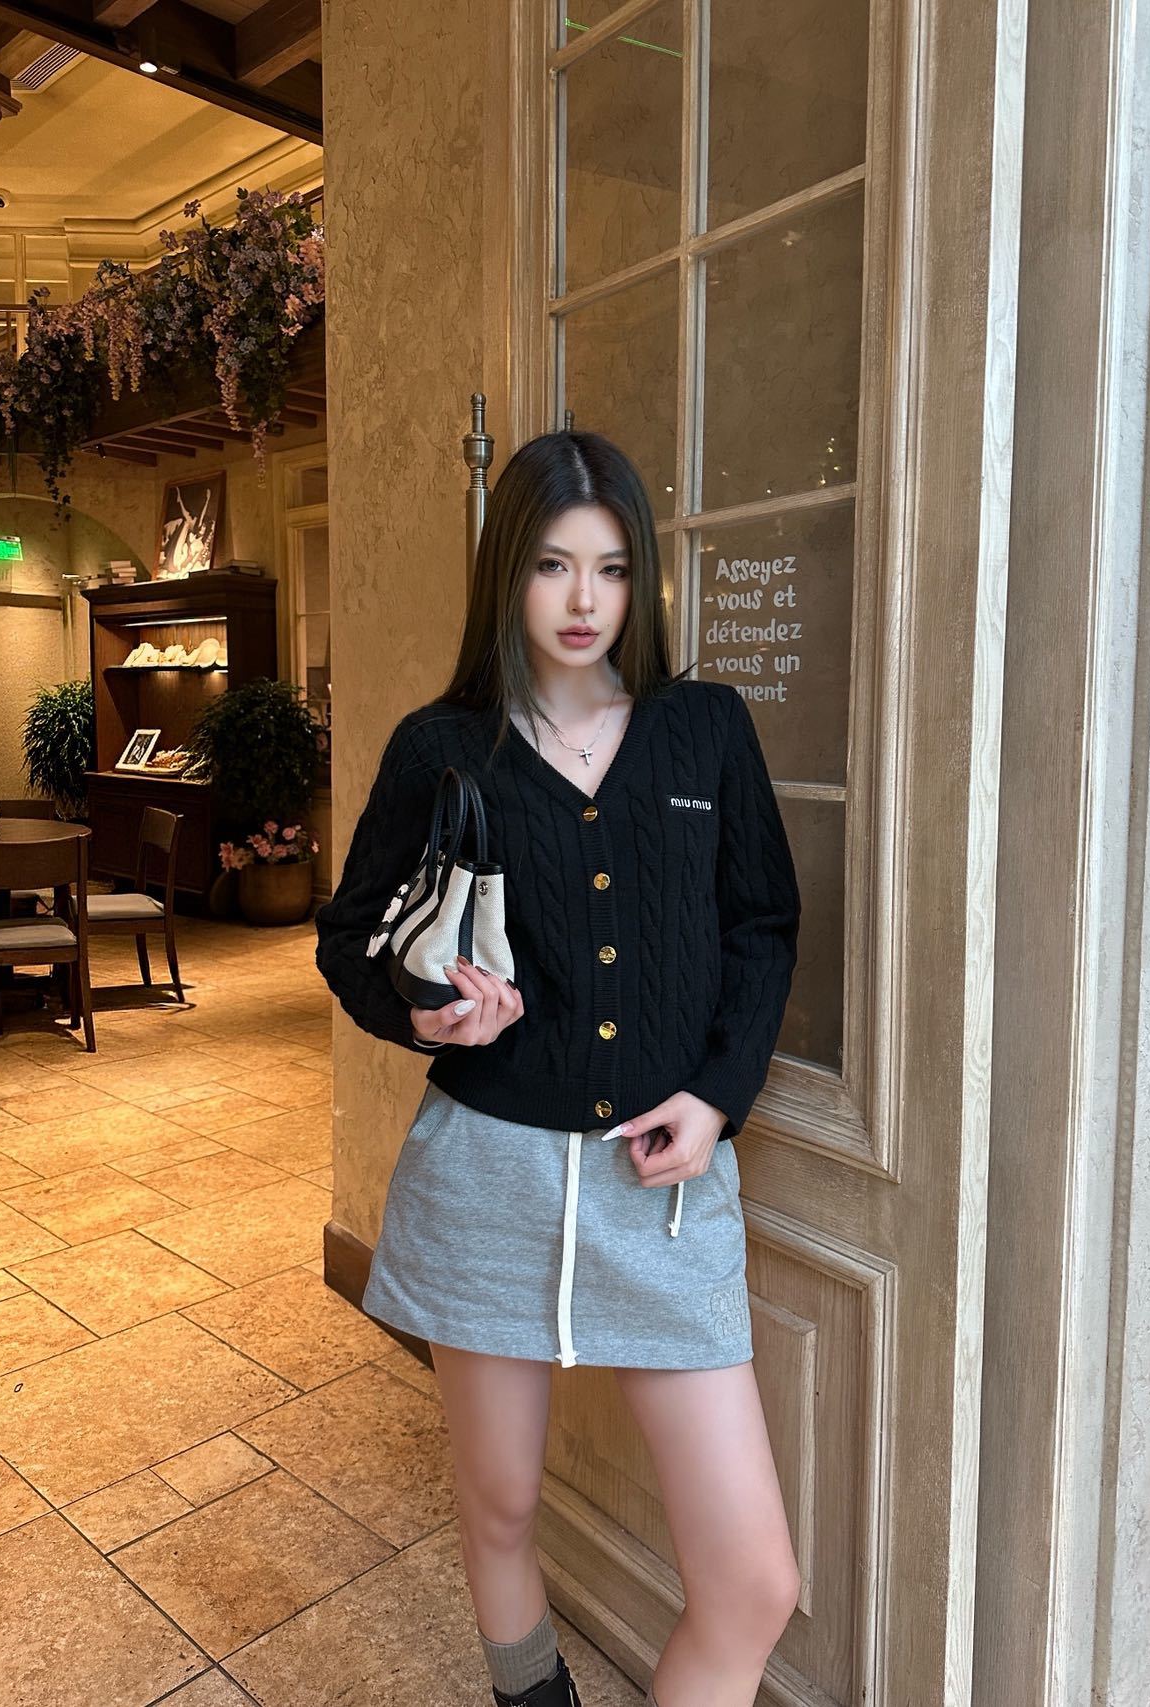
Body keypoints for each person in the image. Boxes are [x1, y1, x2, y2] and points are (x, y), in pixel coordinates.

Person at [315, 430, 802, 1707]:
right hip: (487, 1179)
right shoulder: (442, 747)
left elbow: (761, 925)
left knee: (753, 1582)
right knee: (499, 1507)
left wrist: (717, 1095)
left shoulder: (703, 731)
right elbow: (349, 941)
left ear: (639, 580)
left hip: (663, 1194)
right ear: (507, 576)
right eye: (550, 565)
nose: (583, 601)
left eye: (610, 568)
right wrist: (428, 1018)